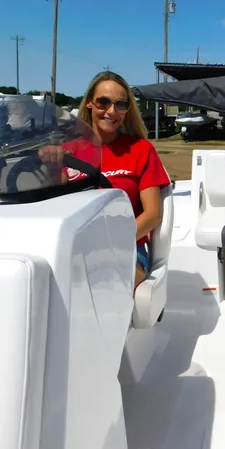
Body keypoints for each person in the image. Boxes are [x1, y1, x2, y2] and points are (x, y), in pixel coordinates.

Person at [39, 71, 170, 291]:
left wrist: (109, 242)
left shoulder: (141, 150)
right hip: (71, 248)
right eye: (104, 102)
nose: (111, 111)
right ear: (90, 103)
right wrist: (52, 165)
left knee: (100, 283)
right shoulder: (67, 151)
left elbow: (153, 214)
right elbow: (55, 206)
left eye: (120, 104)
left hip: (126, 249)